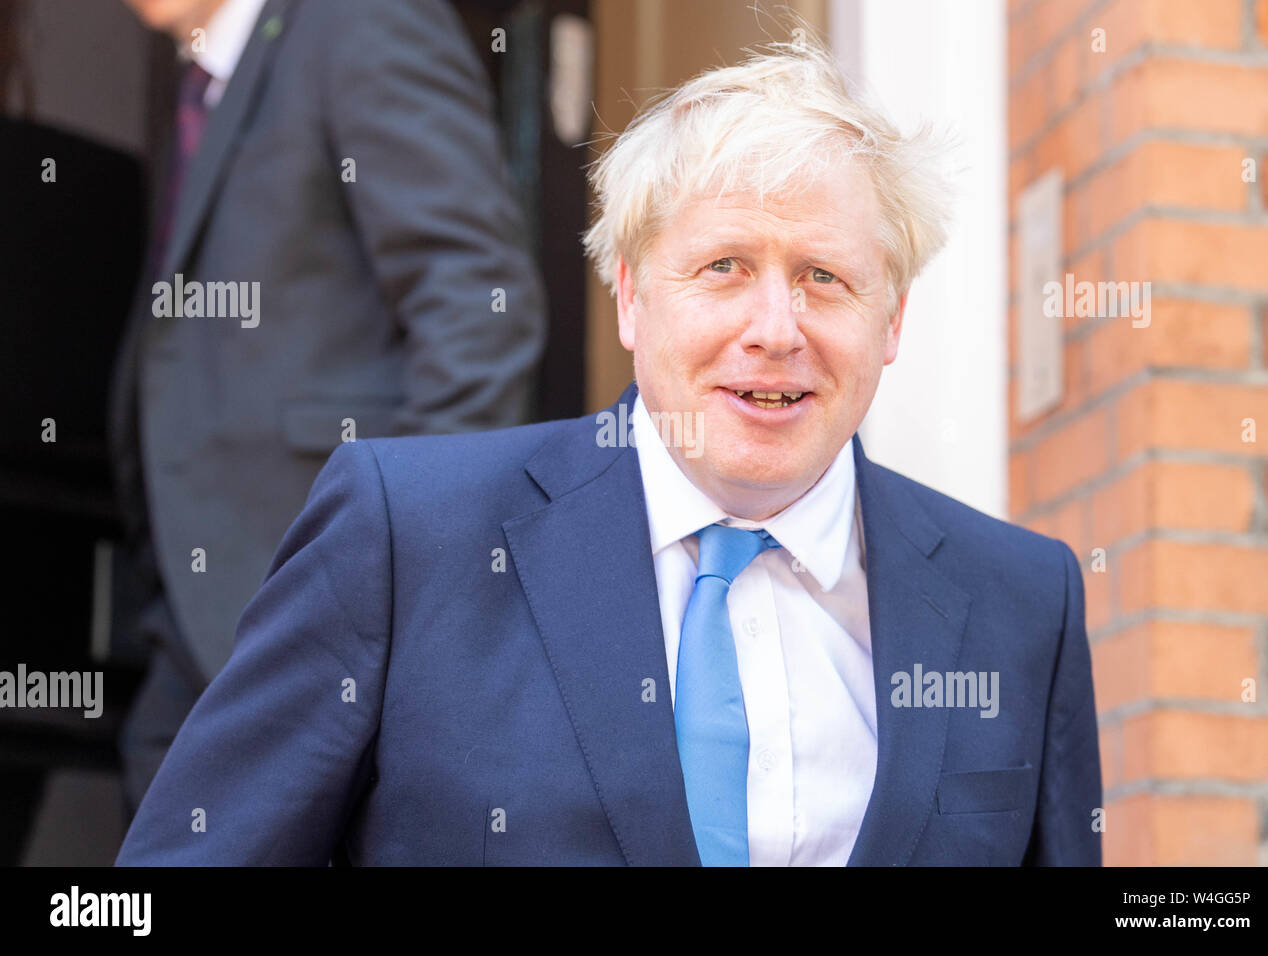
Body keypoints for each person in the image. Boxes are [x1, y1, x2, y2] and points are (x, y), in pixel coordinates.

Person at [116, 35, 1101, 866]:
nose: (775, 327)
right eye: (724, 267)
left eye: (825, 277)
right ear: (630, 295)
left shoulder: (1022, 601)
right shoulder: (405, 538)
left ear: (892, 317)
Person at [110, 0, 546, 816]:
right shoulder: (202, 81)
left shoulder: (363, 21)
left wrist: (405, 576)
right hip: (201, 596)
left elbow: (479, 306)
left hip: (332, 591)